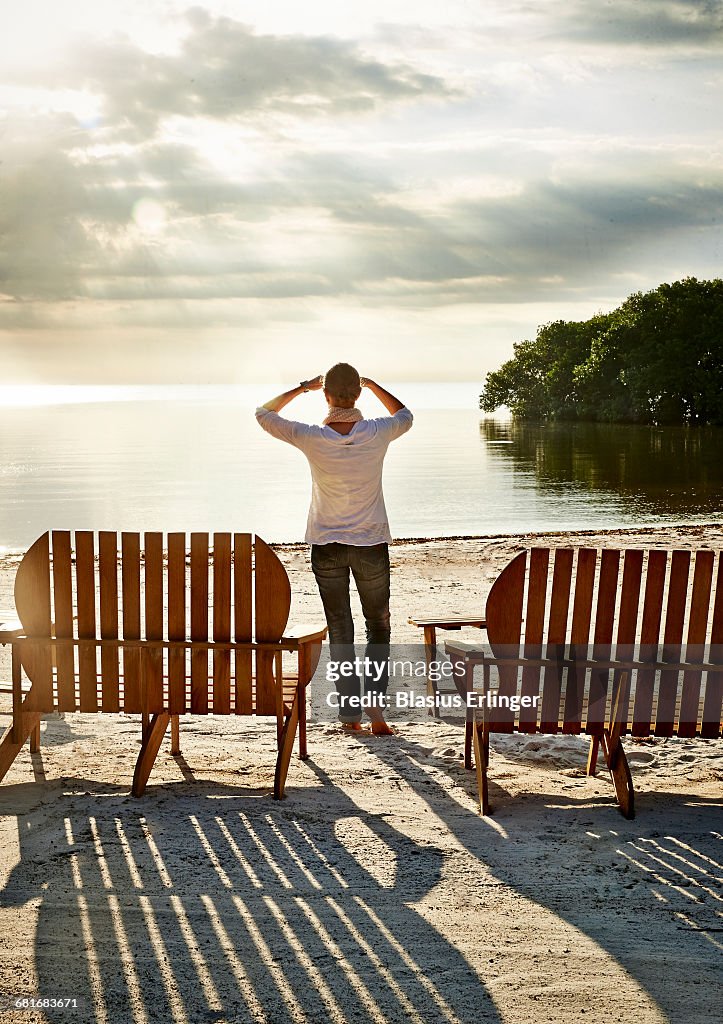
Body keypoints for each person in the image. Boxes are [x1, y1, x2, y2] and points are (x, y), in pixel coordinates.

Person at [255, 364, 413, 734]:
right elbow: (405, 415)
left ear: (326, 395)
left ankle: (349, 715)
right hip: (370, 543)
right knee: (378, 625)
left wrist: (300, 388)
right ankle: (375, 708)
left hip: (326, 544)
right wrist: (374, 386)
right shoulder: (377, 431)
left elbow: (263, 413)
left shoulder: (310, 436)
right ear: (357, 394)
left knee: (341, 628)